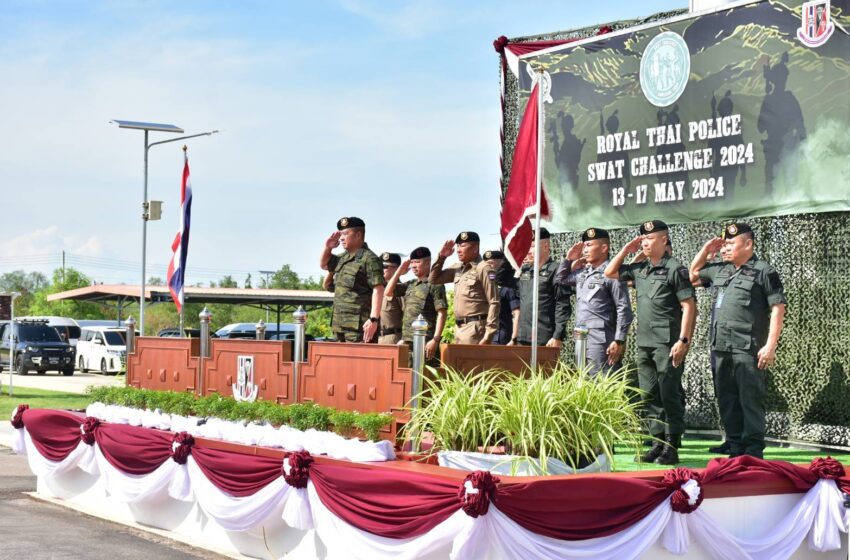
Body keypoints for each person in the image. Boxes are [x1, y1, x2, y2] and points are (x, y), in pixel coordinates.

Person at [690, 222, 786, 459]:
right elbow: (692, 276)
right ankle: (734, 445)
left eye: (730, 243)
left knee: (750, 398)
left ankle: (753, 450)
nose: (725, 249)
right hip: (720, 345)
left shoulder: (764, 271)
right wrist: (706, 249)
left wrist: (770, 345)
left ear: (749, 244)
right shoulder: (720, 269)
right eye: (723, 245)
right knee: (727, 396)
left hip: (748, 347)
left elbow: (778, 308)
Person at [605, 219, 696, 465]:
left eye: (650, 238)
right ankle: (657, 443)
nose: (645, 242)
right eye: (643, 239)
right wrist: (626, 250)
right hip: (644, 343)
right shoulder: (641, 269)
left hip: (667, 343)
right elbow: (610, 272)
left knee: (669, 394)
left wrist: (684, 340)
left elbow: (688, 306)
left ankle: (672, 445)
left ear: (664, 240)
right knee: (648, 395)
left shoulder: (676, 269)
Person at [557, 227, 633, 375]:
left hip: (601, 338)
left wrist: (619, 340)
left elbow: (623, 308)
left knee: (602, 381)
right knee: (583, 383)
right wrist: (568, 259)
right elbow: (561, 279)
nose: (585, 249)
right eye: (584, 245)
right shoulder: (583, 273)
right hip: (581, 335)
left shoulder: (611, 273)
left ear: (604, 247)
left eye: (589, 245)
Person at [319, 216, 385, 343]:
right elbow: (324, 265)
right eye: (340, 234)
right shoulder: (343, 258)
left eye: (345, 234)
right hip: (339, 325)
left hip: (359, 328)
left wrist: (373, 320)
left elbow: (378, 289)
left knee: (359, 362)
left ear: (358, 235)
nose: (341, 238)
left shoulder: (369, 259)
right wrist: (328, 247)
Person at [429, 231, 499, 345]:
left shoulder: (484, 269)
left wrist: (488, 335)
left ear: (475, 248)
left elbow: (494, 302)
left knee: (472, 363)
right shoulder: (458, 268)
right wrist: (442, 257)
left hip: (475, 329)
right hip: (459, 328)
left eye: (462, 246)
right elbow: (433, 279)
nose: (458, 250)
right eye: (457, 246)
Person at [386, 247, 448, 362]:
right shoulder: (411, 284)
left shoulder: (435, 284)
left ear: (428, 262)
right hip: (407, 343)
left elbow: (442, 313)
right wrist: (399, 271)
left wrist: (435, 340)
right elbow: (388, 291)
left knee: (424, 377)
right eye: (412, 262)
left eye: (417, 262)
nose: (413, 266)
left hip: (425, 341)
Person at [516, 228, 571, 347]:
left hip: (544, 338)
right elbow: (501, 278)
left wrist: (558, 336)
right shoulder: (525, 271)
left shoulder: (557, 270)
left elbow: (562, 305)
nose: (528, 251)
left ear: (546, 247)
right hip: (523, 337)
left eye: (531, 246)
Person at [484, 250, 520, 345]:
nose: (489, 267)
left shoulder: (508, 288)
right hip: (483, 335)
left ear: (501, 263)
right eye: (486, 264)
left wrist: (514, 339)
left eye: (491, 263)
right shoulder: (482, 287)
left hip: (501, 338)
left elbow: (516, 314)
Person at [378, 252, 404, 345]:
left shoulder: (401, 289)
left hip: (393, 339)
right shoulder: (378, 289)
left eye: (385, 266)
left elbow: (408, 316)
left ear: (397, 269)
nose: (381, 269)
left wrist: (405, 339)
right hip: (377, 338)